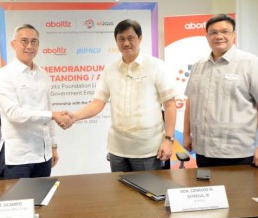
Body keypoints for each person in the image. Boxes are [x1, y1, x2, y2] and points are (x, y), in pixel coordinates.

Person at [71, 19, 178, 172]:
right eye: (121, 39)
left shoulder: (157, 66)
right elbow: (97, 103)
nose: (126, 43)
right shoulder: (110, 70)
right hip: (117, 150)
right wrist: (74, 117)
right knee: (120, 194)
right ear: (116, 41)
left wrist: (168, 140)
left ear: (140, 39)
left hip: (148, 149)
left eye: (130, 38)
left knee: (147, 193)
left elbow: (170, 105)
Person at [183, 14, 258, 168]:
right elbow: (191, 101)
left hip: (238, 153)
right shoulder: (198, 65)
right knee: (210, 191)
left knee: (239, 192)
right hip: (203, 150)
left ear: (234, 34)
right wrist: (187, 135)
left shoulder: (251, 63)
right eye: (213, 32)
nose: (219, 36)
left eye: (225, 31)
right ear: (207, 37)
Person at [0, 24, 72, 179]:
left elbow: (48, 109)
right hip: (18, 157)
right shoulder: (3, 75)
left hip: (43, 155)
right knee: (19, 202)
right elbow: (14, 114)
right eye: (24, 41)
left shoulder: (43, 75)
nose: (29, 46)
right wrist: (53, 115)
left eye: (34, 41)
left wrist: (53, 146)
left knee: (42, 202)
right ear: (13, 44)